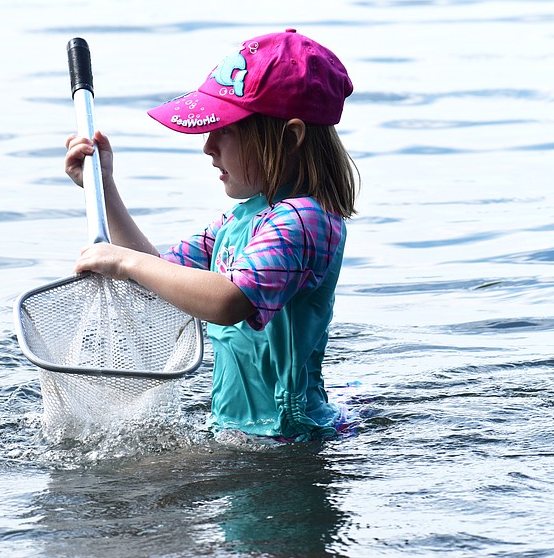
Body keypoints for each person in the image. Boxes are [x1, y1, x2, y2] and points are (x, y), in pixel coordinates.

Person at [64, 29, 358, 441]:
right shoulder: (242, 220)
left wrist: (125, 261)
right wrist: (106, 188)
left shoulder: (307, 220)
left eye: (226, 129)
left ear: (290, 138)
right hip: (237, 435)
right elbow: (161, 279)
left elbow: (228, 300)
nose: (208, 146)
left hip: (289, 442)